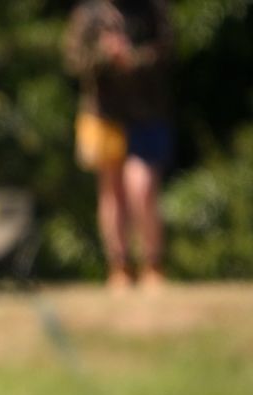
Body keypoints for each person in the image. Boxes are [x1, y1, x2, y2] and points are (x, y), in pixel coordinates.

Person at [64, 0, 174, 292]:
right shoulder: (88, 15)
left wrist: (132, 58)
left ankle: (152, 265)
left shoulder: (152, 9)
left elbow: (167, 52)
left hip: (147, 113)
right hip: (103, 114)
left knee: (142, 187)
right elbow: (74, 61)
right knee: (112, 192)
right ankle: (119, 268)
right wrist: (106, 54)